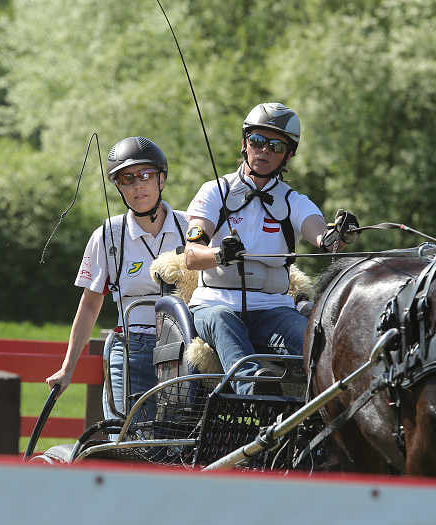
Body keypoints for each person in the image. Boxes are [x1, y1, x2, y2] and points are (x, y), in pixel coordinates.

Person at [183, 102, 359, 395]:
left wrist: (333, 237)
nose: (264, 150)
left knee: (316, 339)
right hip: (215, 304)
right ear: (244, 144)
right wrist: (219, 254)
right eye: (257, 141)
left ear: (288, 155)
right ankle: (254, 386)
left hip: (272, 310)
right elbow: (190, 256)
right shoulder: (215, 191)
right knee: (222, 319)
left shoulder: (293, 200)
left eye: (276, 146)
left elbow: (320, 235)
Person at [46, 137, 188, 431]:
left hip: (184, 347)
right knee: (125, 435)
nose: (138, 185)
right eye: (127, 178)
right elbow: (89, 304)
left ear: (161, 179)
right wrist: (66, 369)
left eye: (146, 175)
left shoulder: (191, 228)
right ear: (119, 187)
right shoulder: (108, 236)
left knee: (179, 438)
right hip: (132, 345)